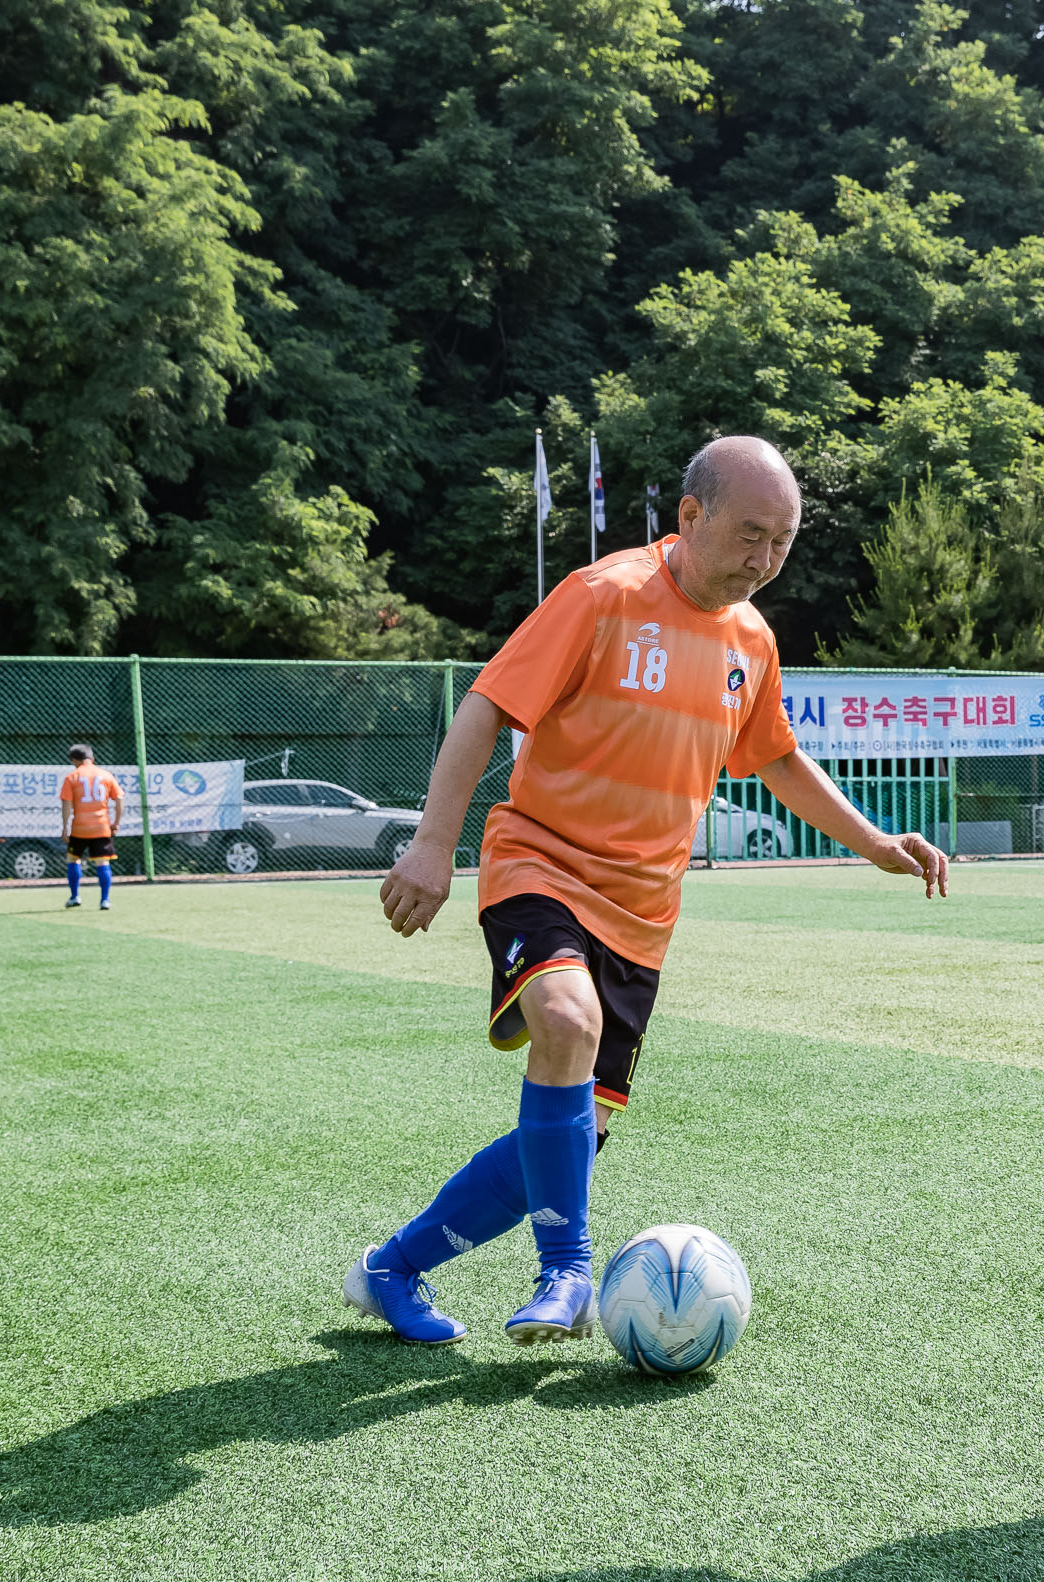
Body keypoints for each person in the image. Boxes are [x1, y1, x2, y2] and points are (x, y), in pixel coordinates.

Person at [352, 436, 950, 1347]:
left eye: (782, 542)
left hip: (643, 914)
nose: (764, 559)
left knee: (560, 1146)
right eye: (750, 534)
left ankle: (391, 1268)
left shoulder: (753, 639)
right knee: (566, 1019)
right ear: (691, 517)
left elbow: (776, 758)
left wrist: (871, 842)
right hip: (540, 863)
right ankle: (569, 1271)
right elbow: (486, 704)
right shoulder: (602, 595)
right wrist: (433, 844)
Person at [57, 744, 123, 909]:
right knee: (102, 863)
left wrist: (65, 828)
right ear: (92, 758)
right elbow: (120, 798)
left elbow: (66, 804)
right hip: (101, 827)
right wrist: (116, 822)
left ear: (74, 760)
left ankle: (75, 896)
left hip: (80, 827)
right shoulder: (106, 775)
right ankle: (105, 900)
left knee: (73, 859)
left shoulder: (72, 777)